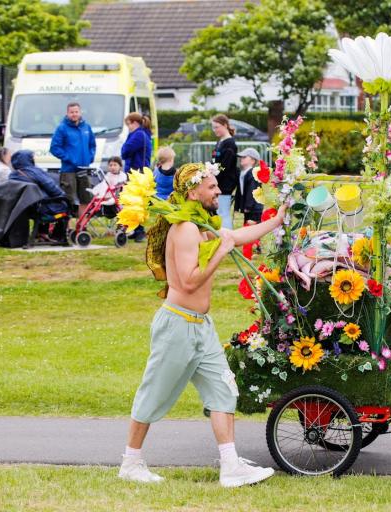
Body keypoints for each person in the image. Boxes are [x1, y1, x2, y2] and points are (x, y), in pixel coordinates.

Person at [119, 163, 286, 487]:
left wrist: (276, 220)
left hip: (201, 327)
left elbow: (235, 236)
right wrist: (219, 254)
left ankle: (230, 466)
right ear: (193, 192)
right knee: (154, 393)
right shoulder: (184, 230)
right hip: (177, 328)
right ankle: (131, 462)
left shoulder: (201, 225)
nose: (218, 191)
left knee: (223, 390)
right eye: (212, 187)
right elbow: (188, 283)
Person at [49, 102, 96, 219]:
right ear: (67, 113)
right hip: (68, 170)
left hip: (84, 169)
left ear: (80, 112)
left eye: (76, 112)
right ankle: (67, 228)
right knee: (69, 199)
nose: (74, 114)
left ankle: (81, 226)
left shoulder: (87, 127)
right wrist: (69, 158)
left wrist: (90, 157)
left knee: (86, 197)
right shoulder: (62, 128)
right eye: (71, 112)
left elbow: (92, 145)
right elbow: (54, 148)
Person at [122, 112, 153, 242]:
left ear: (134, 123)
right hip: (139, 172)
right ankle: (136, 229)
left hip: (137, 173)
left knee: (136, 202)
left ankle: (139, 231)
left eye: (128, 124)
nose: (128, 127)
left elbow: (125, 151)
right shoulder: (142, 134)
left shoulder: (138, 135)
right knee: (135, 202)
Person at [234, 148, 264, 257]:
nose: (241, 159)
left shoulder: (252, 173)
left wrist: (248, 206)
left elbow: (252, 191)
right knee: (251, 228)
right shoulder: (243, 173)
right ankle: (257, 247)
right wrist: (238, 206)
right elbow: (240, 191)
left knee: (250, 228)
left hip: (254, 207)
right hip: (249, 206)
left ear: (252, 160)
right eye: (241, 157)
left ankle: (249, 252)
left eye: (244, 157)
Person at [211, 114, 238, 229]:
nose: (214, 130)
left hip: (225, 185)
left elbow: (224, 167)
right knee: (219, 212)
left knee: (223, 213)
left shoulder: (230, 144)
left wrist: (213, 179)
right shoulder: (220, 142)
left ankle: (228, 239)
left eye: (217, 127)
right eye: (213, 127)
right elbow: (215, 161)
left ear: (225, 125)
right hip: (218, 183)